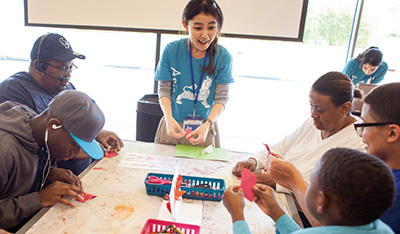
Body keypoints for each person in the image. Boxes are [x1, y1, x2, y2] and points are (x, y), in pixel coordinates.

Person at [0, 33, 122, 175]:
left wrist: (96, 133)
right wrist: (77, 152)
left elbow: (75, 123)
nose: (68, 74)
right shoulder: (14, 91)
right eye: (62, 68)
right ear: (38, 66)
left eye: (71, 67)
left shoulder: (65, 87)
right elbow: (30, 147)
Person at [232, 72, 365, 191]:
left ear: (344, 108)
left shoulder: (358, 143)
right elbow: (280, 148)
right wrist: (254, 160)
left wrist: (280, 183)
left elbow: (325, 193)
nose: (313, 114)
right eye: (311, 106)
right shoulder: (314, 124)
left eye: (320, 109)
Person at [223, 148, 395, 234]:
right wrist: (277, 212)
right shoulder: (383, 229)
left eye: (310, 183)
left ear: (322, 201)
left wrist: (237, 215)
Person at [0, 90, 105, 231]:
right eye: (74, 145)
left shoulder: (39, 132)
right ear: (53, 125)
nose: (74, 154)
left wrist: (46, 171)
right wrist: (37, 199)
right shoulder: (4, 149)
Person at [154, 0, 234, 147]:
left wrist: (208, 124)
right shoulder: (172, 50)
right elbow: (164, 89)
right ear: (185, 25)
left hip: (204, 128)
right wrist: (168, 117)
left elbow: (221, 98)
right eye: (198, 28)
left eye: (211, 27)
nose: (205, 35)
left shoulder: (223, 57)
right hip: (172, 125)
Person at [355, 82, 400, 233]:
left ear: (392, 133)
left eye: (365, 124)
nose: (361, 134)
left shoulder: (391, 197)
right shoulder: (377, 169)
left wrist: (294, 180)